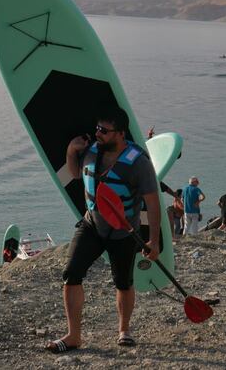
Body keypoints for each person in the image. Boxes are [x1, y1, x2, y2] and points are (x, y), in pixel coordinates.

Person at [47, 106, 161, 353]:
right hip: (92, 224)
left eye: (104, 130)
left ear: (120, 134)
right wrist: (70, 151)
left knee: (123, 282)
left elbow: (152, 202)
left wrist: (154, 240)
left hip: (123, 231)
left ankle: (124, 330)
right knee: (71, 273)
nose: (97, 133)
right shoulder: (90, 151)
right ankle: (73, 336)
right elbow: (76, 174)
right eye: (97, 128)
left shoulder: (137, 162)